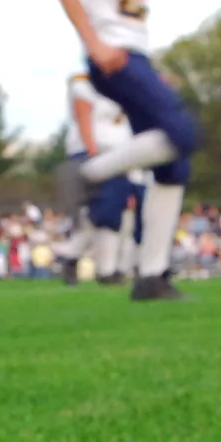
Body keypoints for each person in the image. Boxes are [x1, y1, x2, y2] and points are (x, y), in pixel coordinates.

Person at [57, 0, 197, 301]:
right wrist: (95, 44)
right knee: (185, 133)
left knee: (174, 165)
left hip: (133, 51)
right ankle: (90, 174)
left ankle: (152, 276)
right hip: (113, 55)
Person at [56, 73, 141, 285]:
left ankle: (85, 261)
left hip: (116, 155)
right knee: (102, 213)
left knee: (110, 215)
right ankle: (97, 266)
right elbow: (83, 116)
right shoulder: (84, 84)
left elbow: (120, 118)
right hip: (95, 154)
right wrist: (93, 153)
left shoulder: (114, 89)